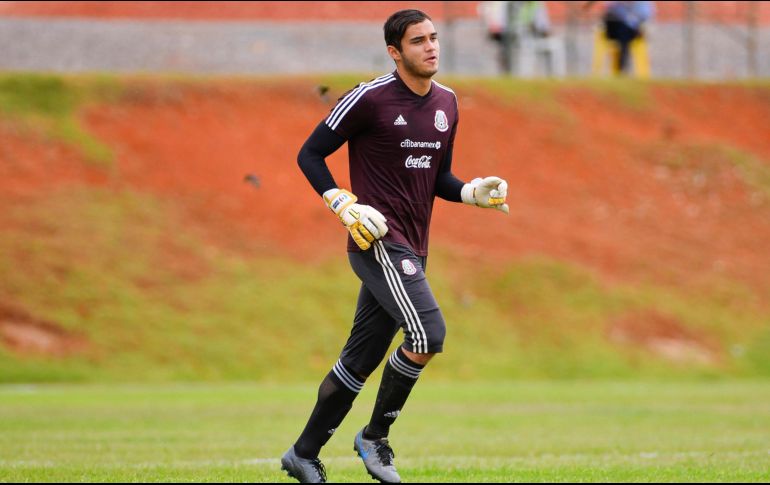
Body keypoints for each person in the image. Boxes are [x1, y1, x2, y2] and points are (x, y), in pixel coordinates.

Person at [281, 9, 509, 483]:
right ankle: (375, 437)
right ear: (394, 52)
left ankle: (302, 454)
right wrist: (340, 202)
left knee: (360, 360)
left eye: (434, 37)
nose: (431, 47)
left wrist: (471, 192)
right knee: (428, 334)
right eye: (418, 41)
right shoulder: (369, 98)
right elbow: (310, 153)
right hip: (378, 241)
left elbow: (439, 177)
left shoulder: (448, 102)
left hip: (416, 246)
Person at [601, 1, 655, 74]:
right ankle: (621, 67)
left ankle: (621, 68)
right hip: (614, 29)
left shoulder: (642, 3)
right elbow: (607, 8)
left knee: (625, 31)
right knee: (622, 28)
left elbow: (646, 15)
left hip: (632, 30)